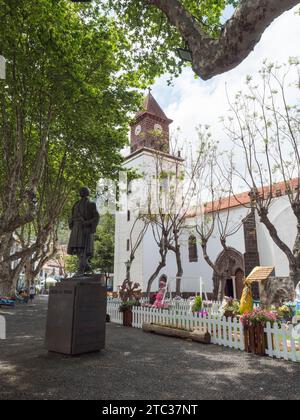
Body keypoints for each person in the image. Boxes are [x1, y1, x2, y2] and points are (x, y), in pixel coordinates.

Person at [67, 187, 100, 275]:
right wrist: (71, 223)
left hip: (85, 229)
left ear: (87, 193)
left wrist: (87, 223)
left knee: (83, 250)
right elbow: (72, 216)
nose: (81, 192)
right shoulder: (76, 204)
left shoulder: (91, 204)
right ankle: (87, 268)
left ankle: (80, 269)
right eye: (80, 190)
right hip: (76, 229)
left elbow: (96, 217)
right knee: (77, 249)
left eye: (83, 191)